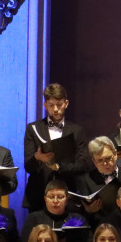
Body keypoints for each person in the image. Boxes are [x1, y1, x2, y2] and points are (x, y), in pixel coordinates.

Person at [22, 82, 89, 212]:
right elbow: (28, 167)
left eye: (59, 105)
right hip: (39, 195)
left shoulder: (77, 131)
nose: (56, 109)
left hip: (68, 195)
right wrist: (37, 157)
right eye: (51, 105)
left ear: (66, 103)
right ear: (45, 105)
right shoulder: (33, 128)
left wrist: (59, 167)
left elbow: (83, 165)